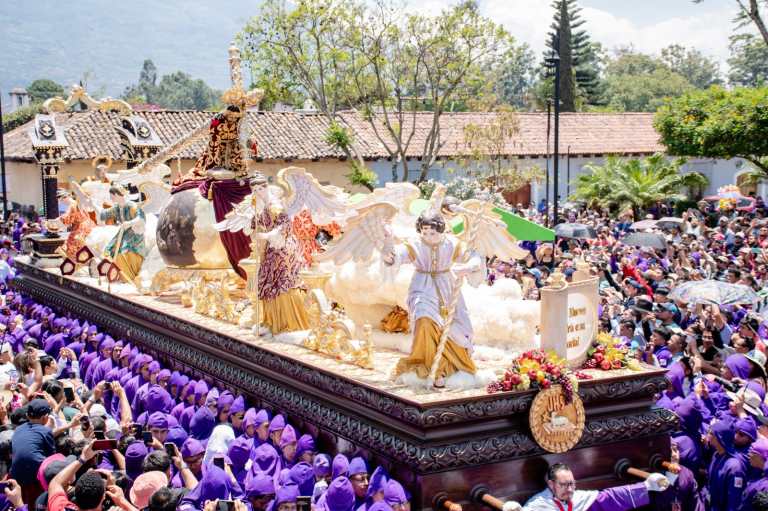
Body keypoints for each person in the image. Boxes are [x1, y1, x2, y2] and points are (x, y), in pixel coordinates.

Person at [384, 209, 483, 388]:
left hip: (448, 289)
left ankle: (448, 367)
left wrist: (467, 267)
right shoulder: (415, 244)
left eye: (433, 232)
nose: (428, 236)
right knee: (424, 321)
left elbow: (475, 258)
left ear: (441, 229)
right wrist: (389, 249)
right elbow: (397, 255)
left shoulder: (452, 243)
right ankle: (429, 367)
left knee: (454, 329)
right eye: (425, 232)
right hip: (422, 288)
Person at [517, 462, 669, 510]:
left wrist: (646, 486)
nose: (570, 490)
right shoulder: (539, 505)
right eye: (564, 485)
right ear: (551, 484)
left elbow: (610, 497)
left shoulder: (579, 498)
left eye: (572, 484)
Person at [97, 185, 146, 287]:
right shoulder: (117, 207)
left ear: (116, 194)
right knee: (110, 249)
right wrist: (93, 204)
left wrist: (129, 223)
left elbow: (141, 219)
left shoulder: (131, 205)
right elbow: (104, 214)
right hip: (123, 233)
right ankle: (117, 275)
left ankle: (129, 276)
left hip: (134, 234)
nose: (111, 199)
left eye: (112, 196)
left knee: (123, 251)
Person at [10, 399, 55, 505]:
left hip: (17, 476)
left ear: (27, 415)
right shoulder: (46, 431)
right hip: (35, 479)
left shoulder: (18, 429)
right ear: (45, 417)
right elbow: (53, 458)